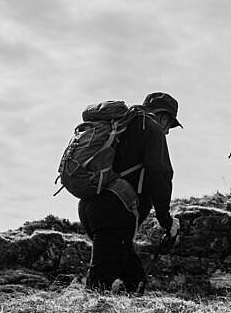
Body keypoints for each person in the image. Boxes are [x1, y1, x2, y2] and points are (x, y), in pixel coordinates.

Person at [77, 92, 182, 293]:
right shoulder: (151, 128)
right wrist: (166, 219)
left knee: (134, 277)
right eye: (170, 124)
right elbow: (159, 175)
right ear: (163, 116)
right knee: (99, 282)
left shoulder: (122, 125)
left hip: (90, 204)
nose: (168, 131)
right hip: (116, 210)